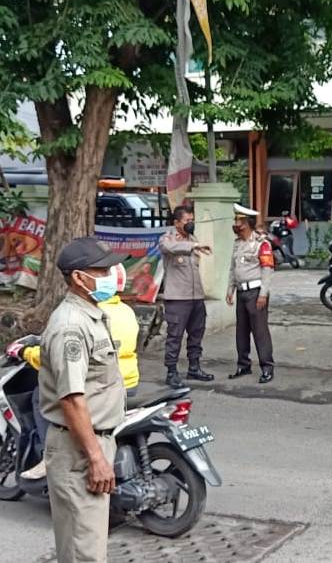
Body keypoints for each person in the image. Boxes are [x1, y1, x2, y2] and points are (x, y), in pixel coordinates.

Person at [39, 237, 127, 562]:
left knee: (88, 547)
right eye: (102, 270)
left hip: (91, 444)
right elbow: (72, 400)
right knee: (83, 553)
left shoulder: (91, 314)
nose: (111, 275)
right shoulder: (70, 327)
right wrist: (96, 458)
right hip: (78, 450)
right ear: (79, 277)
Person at [15, 263, 140, 481]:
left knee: (40, 398)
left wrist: (26, 352)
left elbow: (57, 364)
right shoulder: (126, 312)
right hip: (130, 383)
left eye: (105, 273)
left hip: (100, 389)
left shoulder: (88, 316)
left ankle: (47, 456)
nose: (104, 277)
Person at [160, 205, 215, 388]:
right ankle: (171, 372)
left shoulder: (192, 238)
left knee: (196, 334)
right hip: (177, 298)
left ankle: (194, 367)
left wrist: (195, 244)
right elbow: (169, 247)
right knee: (175, 336)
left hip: (196, 297)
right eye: (187, 221)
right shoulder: (168, 239)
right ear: (176, 223)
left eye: (192, 221)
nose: (190, 224)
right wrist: (194, 246)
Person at [226, 203, 276, 384]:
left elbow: (267, 270)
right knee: (242, 330)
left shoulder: (262, 244)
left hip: (256, 292)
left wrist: (263, 294)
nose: (236, 224)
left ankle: (267, 367)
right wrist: (230, 289)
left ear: (247, 223)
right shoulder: (237, 243)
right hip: (241, 291)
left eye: (238, 220)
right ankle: (243, 365)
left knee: (260, 331)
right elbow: (233, 268)